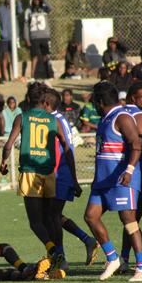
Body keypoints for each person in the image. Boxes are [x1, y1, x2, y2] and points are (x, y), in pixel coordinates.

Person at [0, 82, 78, 278]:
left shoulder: (22, 117)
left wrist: (3, 162)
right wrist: (74, 179)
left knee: (35, 222)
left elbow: (9, 145)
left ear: (27, 99)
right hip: (50, 173)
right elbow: (67, 149)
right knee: (51, 218)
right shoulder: (54, 120)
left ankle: (55, 253)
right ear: (43, 100)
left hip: (30, 172)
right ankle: (59, 257)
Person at [84, 81, 142, 282]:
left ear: (100, 102)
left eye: (94, 101)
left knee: (129, 220)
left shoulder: (122, 117)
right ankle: (112, 258)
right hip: (103, 180)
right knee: (91, 216)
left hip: (121, 179)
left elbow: (136, 143)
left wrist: (129, 170)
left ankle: (141, 268)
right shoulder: (105, 119)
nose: (93, 105)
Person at [45, 88, 96, 269]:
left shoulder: (56, 120)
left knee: (51, 216)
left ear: (46, 104)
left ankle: (61, 258)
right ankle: (86, 240)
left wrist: (73, 180)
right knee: (53, 215)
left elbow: (68, 150)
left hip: (62, 174)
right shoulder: (58, 119)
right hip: (60, 174)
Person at [117, 81, 142, 275]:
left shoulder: (121, 113)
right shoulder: (139, 116)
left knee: (130, 219)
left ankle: (124, 258)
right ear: (133, 98)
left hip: (130, 173)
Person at [23, 0, 53, 79]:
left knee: (45, 56)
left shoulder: (44, 8)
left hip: (44, 36)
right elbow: (26, 26)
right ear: (32, 0)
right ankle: (32, 76)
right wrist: (27, 39)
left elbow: (50, 8)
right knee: (34, 56)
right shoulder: (28, 11)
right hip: (34, 37)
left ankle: (48, 74)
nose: (36, 1)